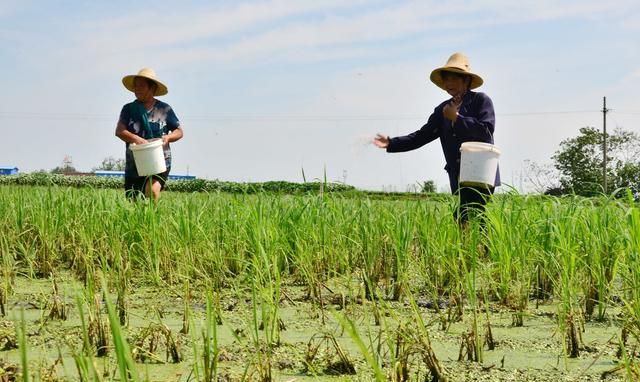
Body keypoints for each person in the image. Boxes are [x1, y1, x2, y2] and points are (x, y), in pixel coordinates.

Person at [373, 52, 499, 224]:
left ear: (466, 80)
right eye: (446, 79)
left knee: (468, 212)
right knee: (466, 215)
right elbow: (421, 136)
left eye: (453, 79)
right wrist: (392, 143)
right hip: (459, 175)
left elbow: (486, 132)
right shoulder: (442, 110)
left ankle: (480, 249)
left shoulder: (481, 101)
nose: (449, 83)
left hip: (481, 172)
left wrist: (457, 119)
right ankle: (476, 249)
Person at [115, 68, 184, 201]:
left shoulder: (164, 109)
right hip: (135, 162)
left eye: (141, 85)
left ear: (152, 88)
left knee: (152, 190)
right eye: (135, 86)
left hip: (159, 160)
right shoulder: (128, 109)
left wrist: (168, 137)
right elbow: (119, 131)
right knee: (133, 201)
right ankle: (141, 222)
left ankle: (152, 219)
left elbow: (179, 131)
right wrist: (136, 139)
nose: (137, 89)